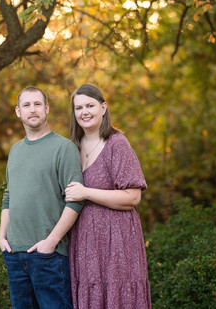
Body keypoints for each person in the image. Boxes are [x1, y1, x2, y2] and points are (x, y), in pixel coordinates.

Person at [64, 83, 151, 309]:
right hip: (83, 241)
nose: (85, 112)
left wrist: (86, 193)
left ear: (103, 107)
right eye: (79, 107)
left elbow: (133, 197)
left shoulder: (117, 144)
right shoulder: (71, 148)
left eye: (90, 105)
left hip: (117, 241)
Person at [0, 86, 84, 309]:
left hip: (48, 256)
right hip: (14, 254)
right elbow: (9, 196)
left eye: (37, 104)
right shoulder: (15, 150)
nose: (32, 109)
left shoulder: (64, 148)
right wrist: (2, 237)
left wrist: (51, 243)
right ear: (18, 111)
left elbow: (75, 200)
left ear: (47, 108)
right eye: (26, 105)